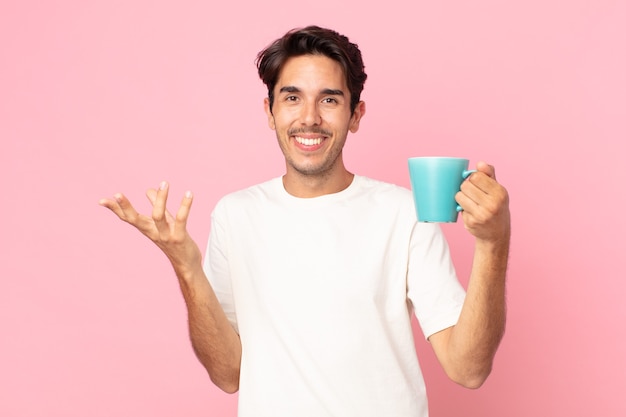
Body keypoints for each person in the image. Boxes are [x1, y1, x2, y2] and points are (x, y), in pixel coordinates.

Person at [99, 25, 510, 417]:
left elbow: (468, 369)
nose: (309, 117)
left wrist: (494, 243)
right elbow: (227, 374)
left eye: (329, 99)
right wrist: (186, 267)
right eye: (292, 97)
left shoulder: (403, 213)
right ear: (270, 110)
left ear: (355, 114)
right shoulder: (235, 215)